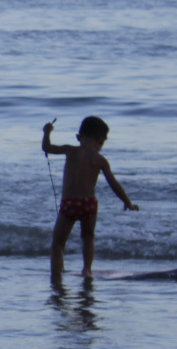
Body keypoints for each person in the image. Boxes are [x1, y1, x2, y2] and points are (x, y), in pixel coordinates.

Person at [42, 116, 138, 281]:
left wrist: (47, 132)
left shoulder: (70, 150)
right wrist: (127, 202)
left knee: (58, 243)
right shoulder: (100, 160)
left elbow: (47, 147)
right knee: (88, 237)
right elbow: (113, 184)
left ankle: (56, 276)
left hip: (70, 204)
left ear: (79, 137)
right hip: (89, 204)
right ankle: (87, 270)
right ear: (101, 140)